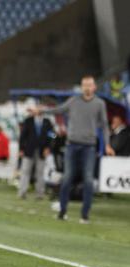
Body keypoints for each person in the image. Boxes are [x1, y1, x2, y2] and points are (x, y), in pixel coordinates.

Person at [29, 75, 114, 223]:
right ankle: (62, 211)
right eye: (84, 85)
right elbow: (57, 109)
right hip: (72, 145)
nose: (87, 88)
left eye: (89, 85)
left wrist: (107, 144)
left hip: (89, 147)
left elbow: (105, 126)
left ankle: (85, 215)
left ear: (94, 87)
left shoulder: (100, 104)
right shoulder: (74, 101)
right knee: (67, 178)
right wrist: (41, 111)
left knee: (88, 180)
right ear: (82, 87)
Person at [18, 113, 54, 199]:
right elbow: (23, 136)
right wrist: (21, 149)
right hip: (29, 150)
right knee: (25, 171)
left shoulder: (47, 122)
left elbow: (51, 135)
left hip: (42, 150)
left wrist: (48, 147)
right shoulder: (28, 121)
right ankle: (22, 192)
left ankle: (40, 193)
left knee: (40, 173)